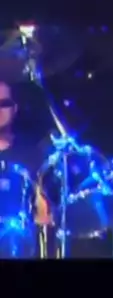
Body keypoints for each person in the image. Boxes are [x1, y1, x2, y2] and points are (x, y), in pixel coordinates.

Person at [0, 80, 52, 258]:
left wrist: (44, 211)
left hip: (20, 247)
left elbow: (45, 213)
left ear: (14, 109)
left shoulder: (34, 154)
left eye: (4, 104)